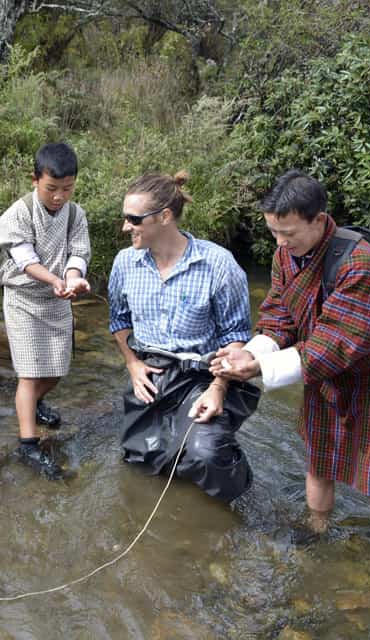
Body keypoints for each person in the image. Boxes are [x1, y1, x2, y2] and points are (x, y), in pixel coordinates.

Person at [210, 170, 370, 597]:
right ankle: (315, 527)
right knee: (319, 454)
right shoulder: (287, 255)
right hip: (322, 372)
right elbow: (279, 313)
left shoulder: (361, 266)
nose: (280, 244)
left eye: (289, 233)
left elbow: (333, 345)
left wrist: (257, 369)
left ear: (319, 220)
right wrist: (251, 352)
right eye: (274, 233)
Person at [108, 171, 258, 501]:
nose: (125, 227)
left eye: (134, 219)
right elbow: (118, 321)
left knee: (204, 453)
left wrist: (219, 388)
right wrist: (132, 365)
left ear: (164, 217)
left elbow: (235, 336)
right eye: (125, 218)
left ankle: (243, 497)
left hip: (204, 374)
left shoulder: (218, 264)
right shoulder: (124, 264)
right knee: (143, 461)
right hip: (153, 372)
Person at [0, 142, 91, 478]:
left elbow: (78, 254)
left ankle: (31, 403)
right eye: (52, 189)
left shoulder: (76, 215)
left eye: (67, 189)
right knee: (30, 374)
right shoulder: (18, 213)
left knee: (57, 369)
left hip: (56, 299)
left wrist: (74, 278)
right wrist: (56, 280)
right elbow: (25, 261)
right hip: (23, 298)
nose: (59, 197)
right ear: (35, 180)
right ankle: (28, 444)